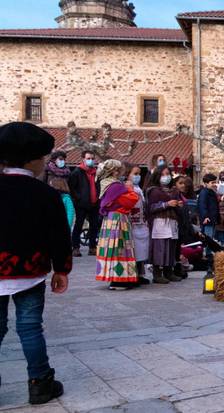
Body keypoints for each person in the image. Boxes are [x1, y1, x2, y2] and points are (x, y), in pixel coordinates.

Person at [0, 122, 70, 405]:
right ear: (33, 160)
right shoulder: (47, 195)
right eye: (43, 158)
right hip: (31, 272)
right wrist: (61, 269)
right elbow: (59, 236)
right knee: (30, 328)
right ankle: (39, 383)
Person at [95, 160, 140, 290]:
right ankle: (120, 279)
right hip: (118, 219)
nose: (122, 172)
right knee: (119, 247)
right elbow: (130, 201)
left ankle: (115, 278)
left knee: (113, 247)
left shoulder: (106, 184)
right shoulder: (116, 186)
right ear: (114, 171)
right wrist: (130, 190)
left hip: (110, 219)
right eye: (120, 170)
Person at [145, 166, 181, 284]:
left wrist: (177, 204)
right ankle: (157, 273)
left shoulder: (173, 190)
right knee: (160, 248)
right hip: (159, 222)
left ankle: (168, 271)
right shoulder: (154, 191)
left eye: (168, 174)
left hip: (171, 221)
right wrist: (166, 204)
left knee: (171, 247)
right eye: (163, 175)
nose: (166, 177)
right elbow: (151, 207)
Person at [68, 150, 101, 257]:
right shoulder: (77, 172)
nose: (90, 160)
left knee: (94, 226)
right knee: (78, 225)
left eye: (92, 158)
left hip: (94, 203)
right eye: (88, 158)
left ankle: (92, 247)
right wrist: (78, 199)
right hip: (81, 204)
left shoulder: (96, 172)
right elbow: (71, 188)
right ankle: (76, 248)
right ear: (83, 159)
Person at [127, 165, 150, 285]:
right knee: (134, 250)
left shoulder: (138, 189)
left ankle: (140, 274)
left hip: (141, 222)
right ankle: (133, 275)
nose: (138, 176)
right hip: (132, 222)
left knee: (141, 250)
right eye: (135, 173)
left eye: (139, 174)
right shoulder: (127, 188)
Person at [198, 173, 219, 259]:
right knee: (208, 237)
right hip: (208, 219)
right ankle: (207, 253)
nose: (214, 184)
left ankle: (208, 252)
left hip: (212, 218)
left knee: (211, 237)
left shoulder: (211, 192)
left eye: (215, 182)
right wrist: (205, 216)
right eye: (212, 182)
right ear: (206, 183)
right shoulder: (204, 193)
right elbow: (202, 205)